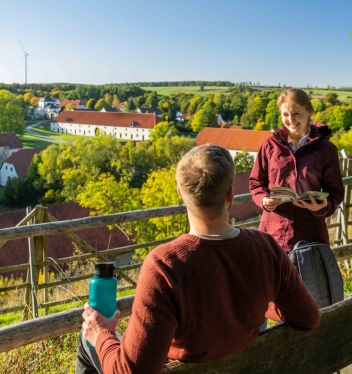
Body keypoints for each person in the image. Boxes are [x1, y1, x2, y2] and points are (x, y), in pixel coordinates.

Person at [77, 144, 320, 374]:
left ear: (180, 193)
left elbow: (132, 371)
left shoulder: (164, 265)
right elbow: (308, 318)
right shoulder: (265, 247)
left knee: (87, 339)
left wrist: (100, 333)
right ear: (230, 195)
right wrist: (252, 299)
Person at [249, 88, 344, 252]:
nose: (290, 120)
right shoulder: (270, 145)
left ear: (309, 111)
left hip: (310, 235)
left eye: (296, 113)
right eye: (285, 114)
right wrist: (264, 200)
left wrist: (321, 206)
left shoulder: (326, 150)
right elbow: (256, 182)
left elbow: (335, 192)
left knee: (307, 279)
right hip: (272, 234)